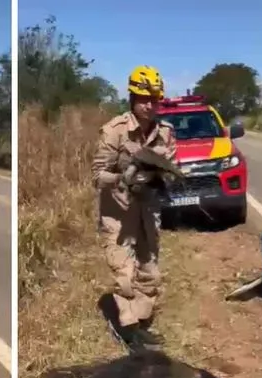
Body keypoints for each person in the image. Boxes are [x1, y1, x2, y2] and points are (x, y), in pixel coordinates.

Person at [91, 65, 178, 351]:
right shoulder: (114, 131)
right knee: (124, 273)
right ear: (132, 98)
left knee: (150, 270)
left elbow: (171, 168)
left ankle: (140, 323)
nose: (149, 106)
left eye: (154, 100)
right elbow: (97, 175)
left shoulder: (165, 133)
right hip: (118, 214)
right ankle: (128, 331)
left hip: (148, 210)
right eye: (144, 99)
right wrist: (122, 177)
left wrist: (163, 175)